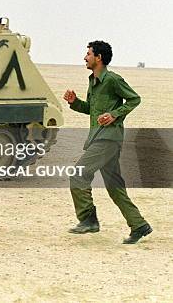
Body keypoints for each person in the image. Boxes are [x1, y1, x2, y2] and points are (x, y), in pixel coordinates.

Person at [64, 40, 151, 244]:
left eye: (88, 54)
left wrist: (114, 114)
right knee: (115, 187)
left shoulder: (112, 79)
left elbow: (134, 99)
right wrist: (74, 102)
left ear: (98, 58)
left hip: (108, 139)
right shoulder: (93, 81)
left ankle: (88, 219)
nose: (85, 57)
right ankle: (139, 225)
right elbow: (92, 110)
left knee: (78, 174)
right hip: (98, 138)